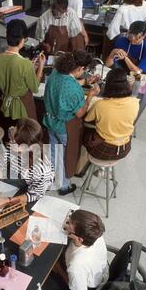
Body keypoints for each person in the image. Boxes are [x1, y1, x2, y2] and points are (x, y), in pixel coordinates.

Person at [43, 50, 100, 196]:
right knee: (67, 155)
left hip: (51, 121)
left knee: (54, 153)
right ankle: (64, 186)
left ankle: (50, 180)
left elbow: (68, 82)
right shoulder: (74, 89)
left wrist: (87, 81)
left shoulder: (55, 73)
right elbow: (80, 113)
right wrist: (90, 96)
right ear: (80, 68)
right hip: (65, 127)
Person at [0, 118, 54, 210]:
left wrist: (8, 200)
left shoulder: (41, 169)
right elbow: (5, 160)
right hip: (17, 175)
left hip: (30, 191)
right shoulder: (14, 145)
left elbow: (35, 194)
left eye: (14, 142)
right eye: (11, 136)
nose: (10, 142)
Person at [0, 19, 46, 124]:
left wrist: (29, 68)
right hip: (23, 106)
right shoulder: (24, 64)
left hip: (7, 105)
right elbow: (35, 88)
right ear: (22, 40)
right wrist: (40, 66)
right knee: (26, 137)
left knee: (12, 135)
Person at [49, 209, 108, 290]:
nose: (66, 225)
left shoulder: (76, 265)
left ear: (80, 239)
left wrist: (58, 269)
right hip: (95, 270)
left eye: (69, 226)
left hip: (86, 286)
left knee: (47, 272)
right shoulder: (95, 233)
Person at [83, 68, 139, 160]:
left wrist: (90, 97)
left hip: (102, 150)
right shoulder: (135, 102)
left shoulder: (100, 105)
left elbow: (87, 119)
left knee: (84, 130)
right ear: (126, 84)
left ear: (108, 86)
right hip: (125, 148)